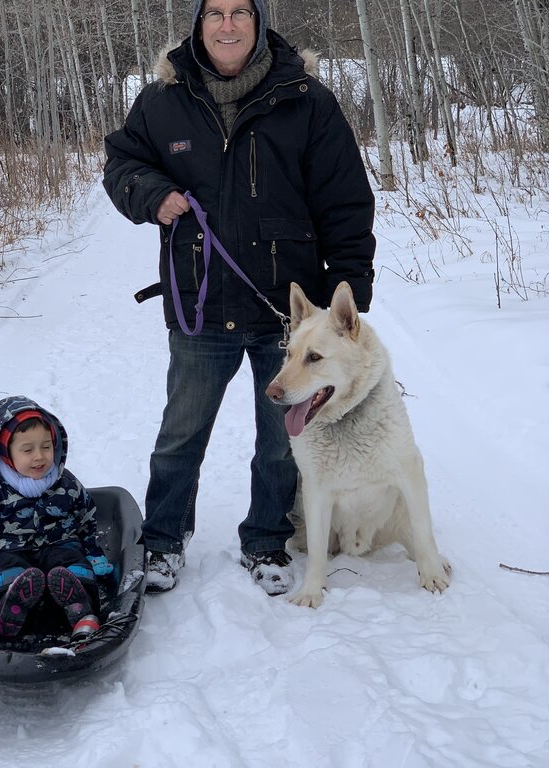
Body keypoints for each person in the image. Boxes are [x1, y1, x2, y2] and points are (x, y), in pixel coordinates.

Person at [103, 0, 376, 595]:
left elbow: (345, 199)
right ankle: (165, 541)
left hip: (289, 314)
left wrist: (345, 296)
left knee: (283, 439)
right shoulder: (161, 100)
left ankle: (266, 540)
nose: (227, 25)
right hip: (201, 299)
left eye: (239, 13)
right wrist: (151, 194)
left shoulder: (306, 98)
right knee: (181, 433)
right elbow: (121, 162)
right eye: (215, 13)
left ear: (259, 22)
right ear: (198, 24)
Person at [0, 395, 114, 639]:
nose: (39, 456)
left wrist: (92, 552)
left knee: (72, 562)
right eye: (27, 450)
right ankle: (13, 610)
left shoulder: (65, 482)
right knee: (9, 570)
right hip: (12, 549)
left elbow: (86, 517)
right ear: (6, 451)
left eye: (46, 446)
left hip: (60, 542)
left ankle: (81, 611)